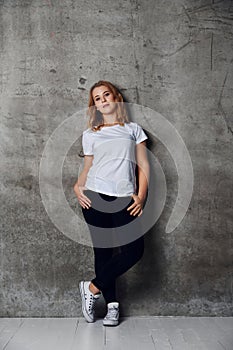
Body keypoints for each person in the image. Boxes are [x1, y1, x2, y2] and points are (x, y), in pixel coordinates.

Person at [73, 80, 150, 326]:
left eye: (106, 95)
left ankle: (92, 287)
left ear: (116, 98)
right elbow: (88, 167)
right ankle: (112, 307)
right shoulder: (90, 134)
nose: (103, 100)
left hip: (125, 197)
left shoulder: (134, 130)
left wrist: (141, 196)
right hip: (94, 196)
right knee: (103, 253)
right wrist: (77, 186)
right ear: (94, 106)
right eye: (97, 98)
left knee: (134, 251)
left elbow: (143, 166)